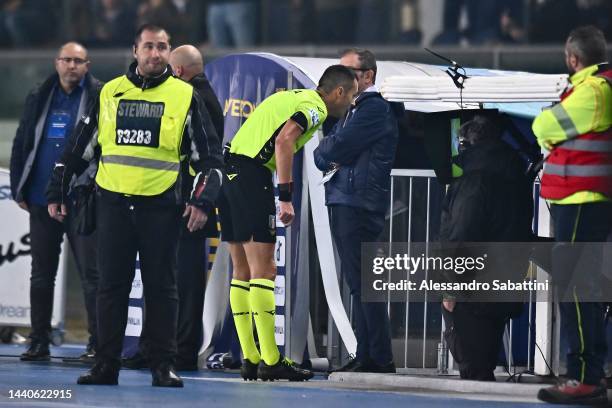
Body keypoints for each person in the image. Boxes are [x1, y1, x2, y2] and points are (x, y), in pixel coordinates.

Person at [46, 24, 223, 387]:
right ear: (135, 50)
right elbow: (79, 148)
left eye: (162, 47)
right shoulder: (109, 92)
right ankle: (105, 365)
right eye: (148, 47)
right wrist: (57, 190)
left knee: (162, 288)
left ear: (169, 52)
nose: (155, 54)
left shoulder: (185, 96)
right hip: (113, 204)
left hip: (162, 206)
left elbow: (210, 158)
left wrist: (202, 200)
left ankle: (163, 365)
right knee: (111, 287)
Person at [219, 64, 357, 381]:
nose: (350, 103)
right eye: (351, 96)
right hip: (252, 178)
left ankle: (251, 359)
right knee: (264, 271)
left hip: (229, 174)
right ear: (338, 92)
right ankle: (270, 360)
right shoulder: (314, 107)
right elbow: (284, 142)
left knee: (241, 272)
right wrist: (285, 196)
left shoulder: (289, 96)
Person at [123, 44, 224, 371]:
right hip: (172, 202)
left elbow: (203, 160)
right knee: (163, 278)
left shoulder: (196, 100)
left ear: (178, 71)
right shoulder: (196, 96)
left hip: (187, 206)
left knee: (183, 283)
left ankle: (180, 351)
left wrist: (197, 201)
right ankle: (154, 346)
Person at [533, 26, 612, 406]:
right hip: (581, 200)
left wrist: (550, 130)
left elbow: (544, 125)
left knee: (577, 290)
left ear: (572, 58)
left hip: (582, 200)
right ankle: (590, 374)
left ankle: (584, 378)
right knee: (584, 289)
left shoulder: (593, 90)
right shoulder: (593, 87)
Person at [9, 42, 102, 363]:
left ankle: (97, 344)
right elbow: (23, 140)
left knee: (91, 275)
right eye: (67, 60)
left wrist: (87, 186)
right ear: (56, 62)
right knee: (41, 275)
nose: (72, 66)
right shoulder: (40, 95)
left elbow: (100, 148)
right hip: (39, 197)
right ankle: (38, 341)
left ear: (87, 65)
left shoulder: (99, 96)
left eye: (78, 61)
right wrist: (20, 187)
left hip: (80, 199)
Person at [313, 48, 402, 373]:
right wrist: (330, 151)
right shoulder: (356, 110)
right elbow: (325, 152)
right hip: (349, 199)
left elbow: (331, 149)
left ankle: (378, 357)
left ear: (367, 76)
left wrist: (330, 151)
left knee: (364, 282)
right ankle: (369, 353)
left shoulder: (373, 109)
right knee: (359, 282)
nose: (342, 78)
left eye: (348, 71)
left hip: (357, 202)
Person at [439, 114, 532, 381]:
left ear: (467, 144)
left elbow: (461, 235)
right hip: (505, 281)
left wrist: (451, 285)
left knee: (473, 368)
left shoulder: (473, 180)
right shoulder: (516, 175)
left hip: (472, 289)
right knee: (485, 364)